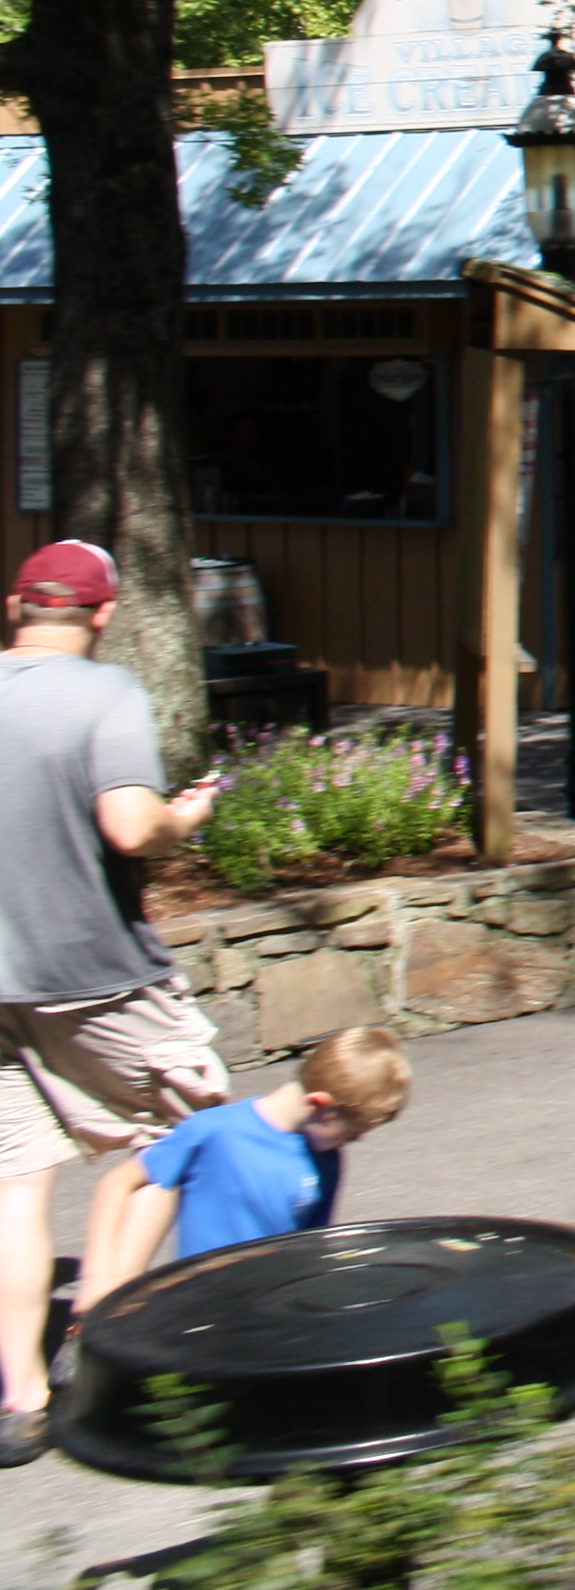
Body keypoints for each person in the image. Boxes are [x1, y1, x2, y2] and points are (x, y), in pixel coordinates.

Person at [0, 540, 224, 1467]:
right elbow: (131, 826)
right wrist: (185, 817)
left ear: (15, 606)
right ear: (101, 615)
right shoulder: (106, 693)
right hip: (92, 973)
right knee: (190, 1131)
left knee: (15, 1186)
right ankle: (97, 1328)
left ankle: (20, 1399)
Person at [81, 1026, 410, 1295]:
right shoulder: (214, 1130)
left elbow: (311, 1249)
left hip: (273, 1309)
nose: (355, 1142)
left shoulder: (327, 1161)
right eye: (352, 1133)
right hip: (202, 1305)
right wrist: (98, 1276)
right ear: (321, 1106)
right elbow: (117, 1183)